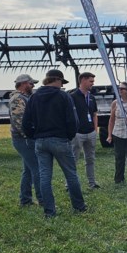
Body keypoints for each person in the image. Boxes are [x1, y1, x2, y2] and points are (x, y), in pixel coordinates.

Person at [22, 69, 87, 218]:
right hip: (60, 139)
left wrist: (34, 136)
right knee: (71, 175)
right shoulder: (64, 96)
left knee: (45, 177)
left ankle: (49, 211)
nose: (61, 85)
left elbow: (26, 123)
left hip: (40, 141)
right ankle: (79, 206)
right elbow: (73, 121)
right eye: (61, 82)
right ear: (57, 80)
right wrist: (68, 136)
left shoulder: (34, 97)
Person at [9, 73, 43, 207]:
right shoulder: (18, 99)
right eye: (31, 83)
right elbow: (19, 121)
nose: (33, 86)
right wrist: (30, 136)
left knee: (28, 170)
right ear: (23, 84)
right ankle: (43, 201)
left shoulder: (23, 97)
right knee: (38, 169)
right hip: (25, 140)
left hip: (25, 139)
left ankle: (26, 200)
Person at [69, 71, 101, 189]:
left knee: (90, 159)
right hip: (77, 134)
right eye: (91, 81)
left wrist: (95, 130)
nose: (93, 84)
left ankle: (92, 183)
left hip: (90, 133)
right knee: (74, 159)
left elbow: (94, 114)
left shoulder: (91, 97)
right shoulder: (72, 96)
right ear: (82, 80)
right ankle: (70, 184)